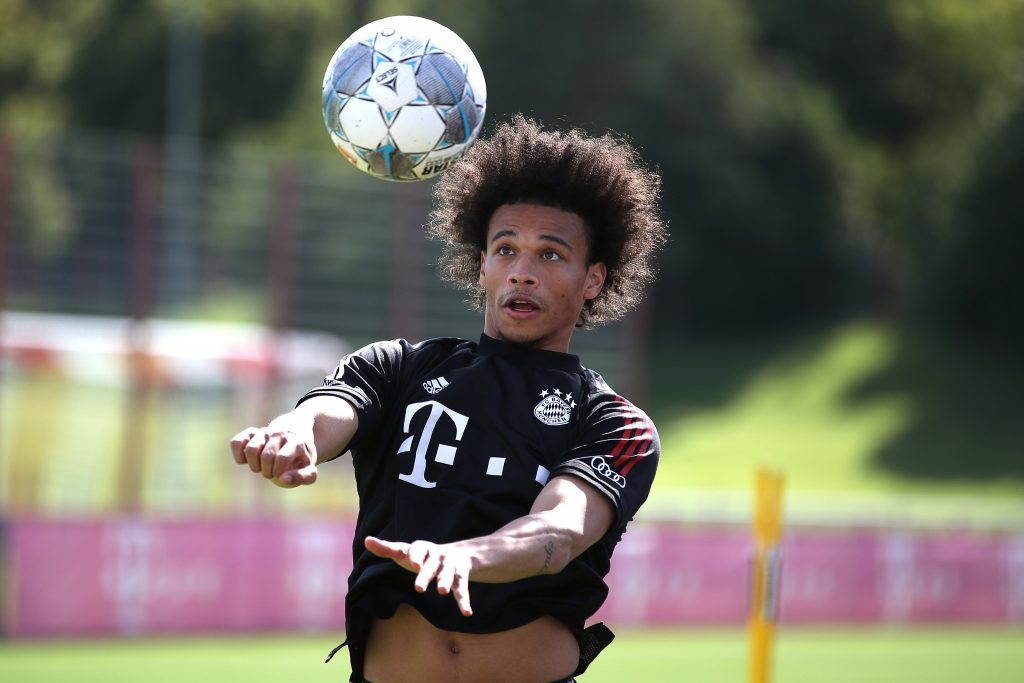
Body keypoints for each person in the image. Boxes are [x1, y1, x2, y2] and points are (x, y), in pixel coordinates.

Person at [229, 115, 668, 683]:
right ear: (481, 264)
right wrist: (294, 433)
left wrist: (467, 556)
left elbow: (559, 531)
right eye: (505, 249)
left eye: (551, 255)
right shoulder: (399, 368)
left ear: (594, 279)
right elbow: (327, 410)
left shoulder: (614, 422)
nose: (523, 273)